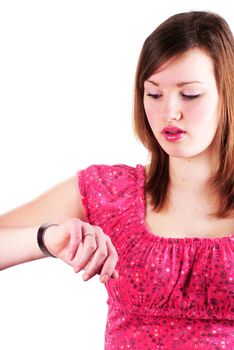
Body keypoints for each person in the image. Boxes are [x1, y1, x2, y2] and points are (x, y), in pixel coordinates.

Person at [0, 9, 233, 350]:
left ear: (227, 95)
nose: (170, 112)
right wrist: (47, 240)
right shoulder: (110, 191)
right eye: (154, 94)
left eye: (190, 94)